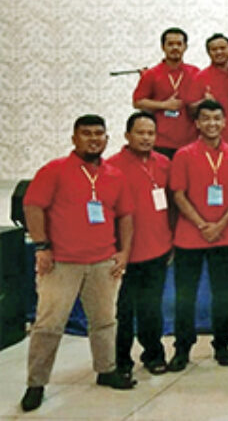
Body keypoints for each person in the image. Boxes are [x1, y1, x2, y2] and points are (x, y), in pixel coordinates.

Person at [20, 115, 136, 413]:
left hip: (103, 261)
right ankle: (36, 384)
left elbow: (125, 214)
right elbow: (32, 206)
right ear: (74, 138)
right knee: (49, 325)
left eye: (99, 134)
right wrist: (42, 246)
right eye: (86, 133)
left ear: (107, 139)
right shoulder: (54, 170)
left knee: (104, 321)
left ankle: (106, 370)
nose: (93, 139)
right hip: (61, 263)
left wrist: (124, 252)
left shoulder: (115, 175)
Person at [167, 100, 228, 371]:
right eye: (206, 119)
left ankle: (221, 345)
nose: (212, 123)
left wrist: (220, 225)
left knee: (223, 294)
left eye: (216, 118)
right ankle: (182, 348)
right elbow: (178, 195)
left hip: (224, 236)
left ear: (224, 122)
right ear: (197, 123)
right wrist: (202, 225)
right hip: (189, 237)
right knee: (185, 296)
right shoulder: (183, 155)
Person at [108, 112, 172, 376]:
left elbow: (171, 205)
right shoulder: (112, 167)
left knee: (151, 308)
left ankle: (153, 354)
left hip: (158, 249)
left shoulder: (164, 163)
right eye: (140, 132)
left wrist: (171, 242)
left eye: (151, 133)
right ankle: (121, 361)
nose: (146, 138)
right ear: (127, 135)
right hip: (125, 254)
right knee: (123, 311)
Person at [133, 27, 199, 157]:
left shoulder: (195, 72)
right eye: (170, 44)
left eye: (179, 44)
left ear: (185, 47)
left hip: (190, 139)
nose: (175, 48)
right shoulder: (152, 74)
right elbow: (137, 102)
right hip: (160, 140)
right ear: (163, 47)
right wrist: (164, 105)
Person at [185, 33, 228, 146]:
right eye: (214, 49)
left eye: (222, 48)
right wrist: (204, 102)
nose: (219, 52)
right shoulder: (200, 77)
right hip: (211, 139)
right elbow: (190, 110)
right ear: (208, 53)